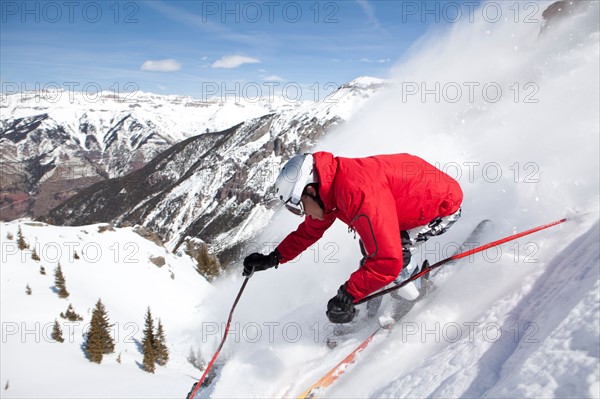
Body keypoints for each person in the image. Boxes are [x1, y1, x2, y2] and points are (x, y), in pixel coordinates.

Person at [243, 152, 463, 324]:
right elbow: (309, 231)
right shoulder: (330, 188)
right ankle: (393, 288)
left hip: (441, 207)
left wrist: (347, 295)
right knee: (371, 247)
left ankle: (417, 295)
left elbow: (388, 261)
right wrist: (274, 258)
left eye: (298, 207)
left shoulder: (356, 193)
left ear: (310, 190)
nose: (302, 213)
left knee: (393, 253)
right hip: (412, 202)